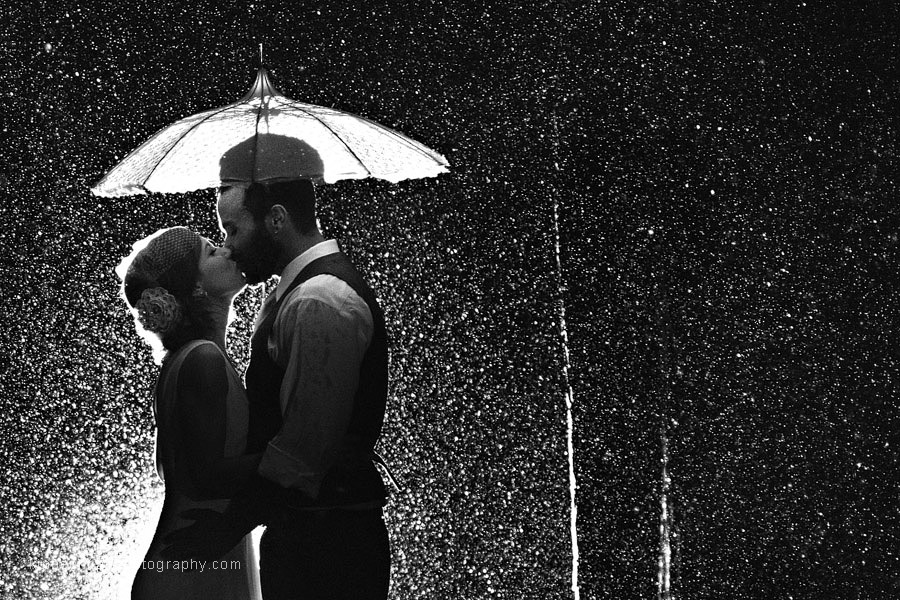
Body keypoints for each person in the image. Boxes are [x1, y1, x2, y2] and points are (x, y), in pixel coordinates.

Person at [167, 179, 392, 599]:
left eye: (233, 229)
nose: (228, 246)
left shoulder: (319, 300)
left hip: (328, 551)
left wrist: (227, 527)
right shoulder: (295, 293)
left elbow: (303, 450)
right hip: (308, 536)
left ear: (275, 220)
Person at [117, 226, 262, 600]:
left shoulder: (184, 361)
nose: (228, 251)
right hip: (192, 568)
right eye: (212, 252)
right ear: (195, 287)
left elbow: (170, 467)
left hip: (191, 560)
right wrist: (305, 453)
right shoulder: (202, 359)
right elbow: (205, 475)